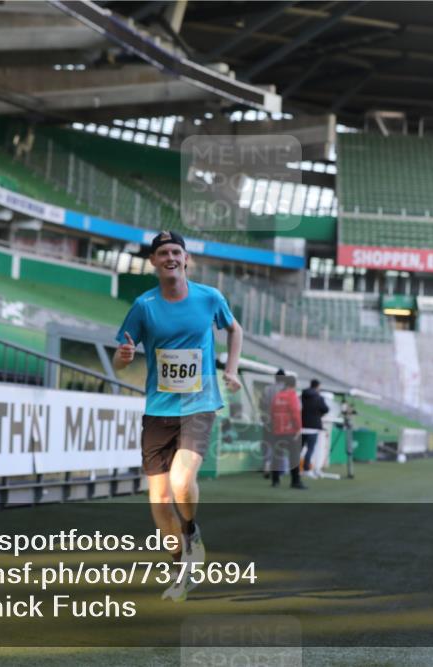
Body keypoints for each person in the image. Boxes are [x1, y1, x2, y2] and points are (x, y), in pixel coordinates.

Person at [113, 231, 243, 602]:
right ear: (153, 262)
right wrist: (122, 361)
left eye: (176, 251)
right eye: (163, 253)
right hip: (157, 411)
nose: (170, 257)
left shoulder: (209, 298)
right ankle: (180, 562)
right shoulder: (144, 306)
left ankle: (191, 534)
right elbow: (122, 359)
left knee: (182, 481)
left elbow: (234, 329)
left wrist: (231, 370)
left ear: (185, 259)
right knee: (158, 503)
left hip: (199, 406)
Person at [270, 373, 307, 489]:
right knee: (294, 457)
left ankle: (275, 481)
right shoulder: (292, 396)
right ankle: (295, 482)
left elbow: (272, 413)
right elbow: (295, 413)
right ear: (294, 385)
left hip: (277, 430)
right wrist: (298, 428)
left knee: (276, 456)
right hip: (290, 431)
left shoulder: (277, 396)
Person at [258, 369, 286, 480]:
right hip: (282, 423)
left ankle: (267, 465)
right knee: (280, 446)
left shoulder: (267, 389)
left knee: (267, 444)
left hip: (268, 421)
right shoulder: (286, 390)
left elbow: (261, 405)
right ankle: (278, 470)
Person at [300, 379, 329, 474]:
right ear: (317, 386)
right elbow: (325, 409)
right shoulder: (319, 397)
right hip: (313, 427)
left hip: (301, 425)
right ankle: (306, 469)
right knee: (310, 449)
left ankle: (293, 468)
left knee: (299, 449)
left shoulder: (302, 396)